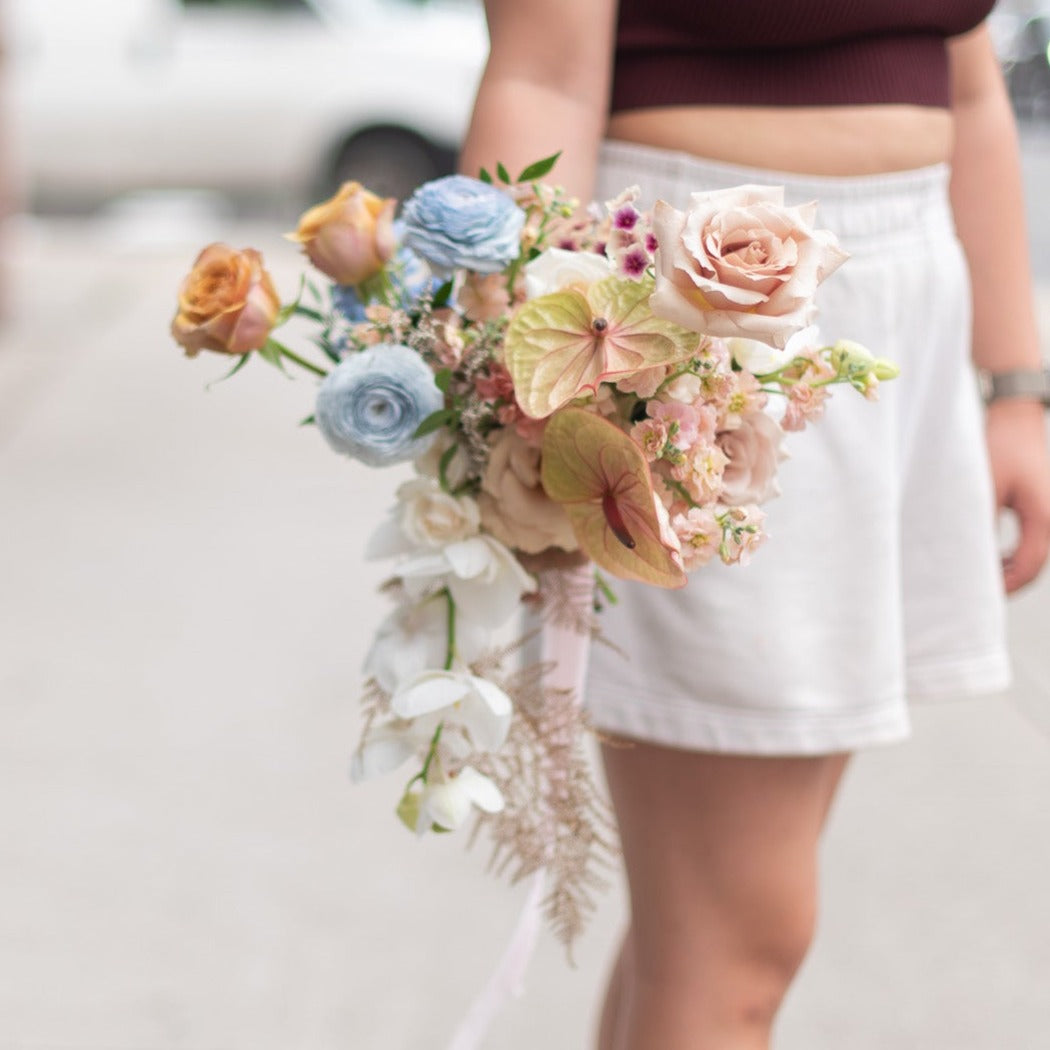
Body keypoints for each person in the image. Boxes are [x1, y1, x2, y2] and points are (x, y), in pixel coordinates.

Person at [458, 4, 1050, 1049]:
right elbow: (541, 80)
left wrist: (1014, 388)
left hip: (910, 297)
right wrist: (523, 395)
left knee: (704, 934)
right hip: (688, 316)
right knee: (736, 943)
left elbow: (967, 83)